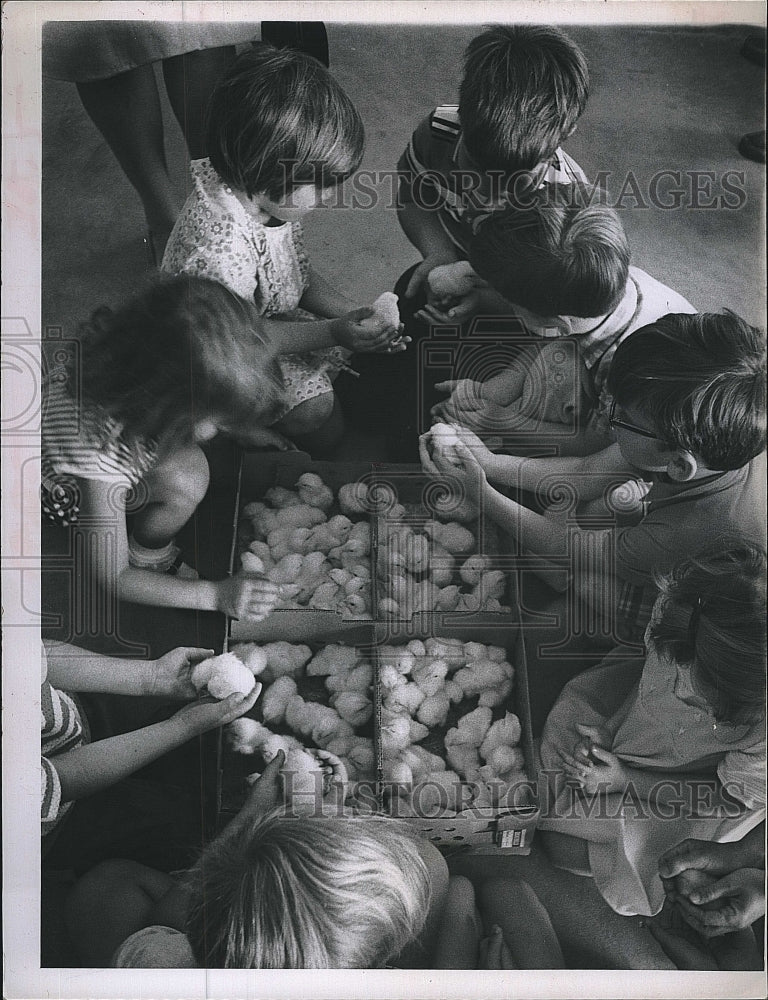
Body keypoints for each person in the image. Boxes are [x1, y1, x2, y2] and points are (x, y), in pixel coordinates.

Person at [420, 311, 767, 641]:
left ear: (678, 465)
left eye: (621, 415)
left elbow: (564, 546)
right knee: (598, 502)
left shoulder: (688, 529)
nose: (605, 414)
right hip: (674, 533)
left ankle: (616, 626)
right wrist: (488, 462)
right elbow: (585, 471)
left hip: (712, 603)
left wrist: (483, 495)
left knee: (584, 578)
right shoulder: (688, 442)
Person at [340, 25, 590, 457]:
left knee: (448, 407)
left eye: (512, 181)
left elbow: (555, 319)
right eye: (473, 166)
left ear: (556, 145)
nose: (486, 193)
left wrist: (486, 301)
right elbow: (414, 192)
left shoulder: (565, 207)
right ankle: (371, 408)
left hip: (519, 312)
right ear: (466, 117)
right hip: (451, 267)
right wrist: (436, 252)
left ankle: (418, 438)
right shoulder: (439, 131)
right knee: (403, 313)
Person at [162, 44, 406, 455]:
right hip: (215, 353)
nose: (330, 197)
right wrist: (331, 330)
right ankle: (238, 432)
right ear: (263, 170)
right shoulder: (219, 248)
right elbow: (239, 340)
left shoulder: (269, 203)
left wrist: (351, 313)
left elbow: (296, 273)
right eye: (321, 184)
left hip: (258, 320)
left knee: (341, 358)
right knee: (317, 410)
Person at [537, 543, 766, 918]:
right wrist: (610, 731)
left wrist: (625, 778)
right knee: (553, 770)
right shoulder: (680, 619)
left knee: (564, 845)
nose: (682, 692)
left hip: (694, 785)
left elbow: (724, 799)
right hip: (640, 732)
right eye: (682, 673)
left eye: (708, 704)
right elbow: (647, 683)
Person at [42, 275, 284, 622]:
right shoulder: (97, 451)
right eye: (216, 421)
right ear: (167, 410)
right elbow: (114, 577)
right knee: (191, 475)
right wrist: (216, 595)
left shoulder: (129, 362)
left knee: (192, 465)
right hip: (64, 493)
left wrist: (240, 426)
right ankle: (149, 560)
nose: (218, 431)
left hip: (113, 438)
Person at [431, 184, 696, 456]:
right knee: (557, 360)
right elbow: (554, 336)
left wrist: (499, 421)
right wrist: (490, 392)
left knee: (557, 375)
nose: (506, 307)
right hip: (614, 359)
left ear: (557, 324)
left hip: (655, 432)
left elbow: (594, 444)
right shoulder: (601, 282)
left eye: (511, 306)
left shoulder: (624, 371)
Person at [42, 640, 261, 874]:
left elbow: (34, 657)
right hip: (58, 811)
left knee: (194, 764)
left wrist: (152, 676)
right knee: (185, 824)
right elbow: (59, 780)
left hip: (69, 713)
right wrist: (183, 726)